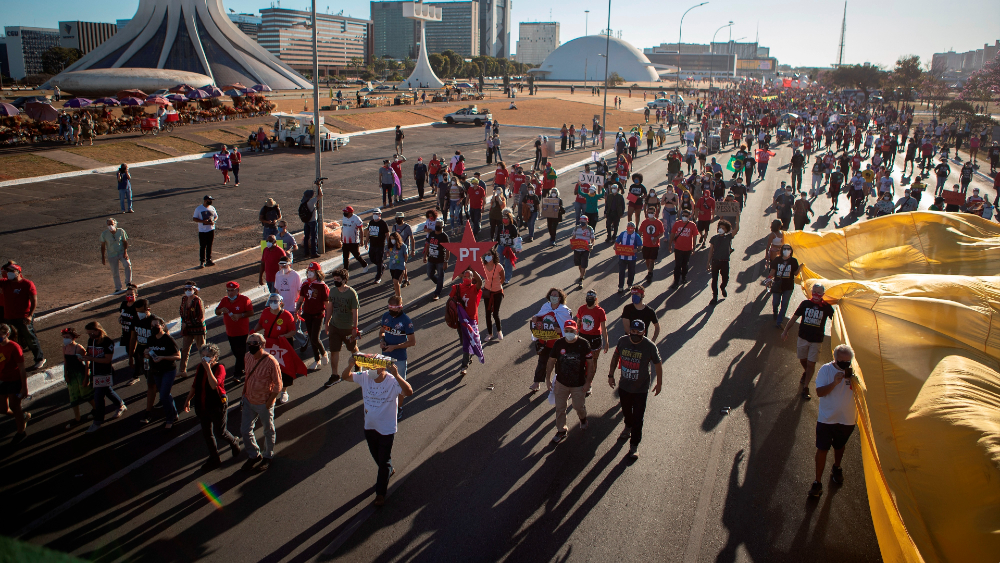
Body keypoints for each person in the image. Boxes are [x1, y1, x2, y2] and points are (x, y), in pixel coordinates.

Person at [341, 356, 413, 506]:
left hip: (386, 429)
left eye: (374, 368)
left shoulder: (392, 381)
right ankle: (388, 469)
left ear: (382, 368)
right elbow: (345, 376)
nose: (371, 370)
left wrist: (398, 375)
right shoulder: (365, 377)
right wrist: (350, 365)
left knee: (383, 460)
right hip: (370, 427)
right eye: (369, 367)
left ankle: (380, 494)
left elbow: (409, 391)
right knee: (378, 458)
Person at [607, 319, 663, 461]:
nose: (635, 334)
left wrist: (659, 383)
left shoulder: (649, 346)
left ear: (644, 332)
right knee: (626, 411)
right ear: (629, 330)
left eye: (638, 332)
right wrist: (611, 375)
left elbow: (658, 363)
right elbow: (615, 357)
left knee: (638, 417)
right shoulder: (622, 341)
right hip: (624, 386)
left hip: (641, 389)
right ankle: (628, 426)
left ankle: (634, 446)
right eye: (633, 331)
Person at [809, 344, 858, 498]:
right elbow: (819, 392)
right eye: (842, 361)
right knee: (822, 449)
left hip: (847, 420)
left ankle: (837, 467)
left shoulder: (854, 371)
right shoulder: (826, 370)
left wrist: (856, 382)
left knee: (840, 446)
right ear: (835, 359)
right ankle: (817, 483)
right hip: (827, 419)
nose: (845, 365)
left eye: (848, 362)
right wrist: (835, 383)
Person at [183, 344, 240, 470]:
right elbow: (195, 385)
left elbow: (214, 385)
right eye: (203, 356)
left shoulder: (220, 368)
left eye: (208, 356)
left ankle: (233, 441)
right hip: (202, 404)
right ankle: (214, 457)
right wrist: (188, 400)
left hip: (216, 404)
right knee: (207, 433)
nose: (205, 359)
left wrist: (208, 369)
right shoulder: (200, 367)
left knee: (220, 432)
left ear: (215, 357)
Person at [545, 320, 596, 444]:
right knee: (560, 408)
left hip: (578, 384)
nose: (568, 333)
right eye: (566, 331)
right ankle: (561, 430)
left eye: (571, 331)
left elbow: (590, 364)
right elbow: (551, 361)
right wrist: (547, 378)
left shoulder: (584, 344)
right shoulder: (559, 343)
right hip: (561, 383)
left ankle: (583, 419)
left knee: (578, 406)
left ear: (576, 330)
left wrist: (588, 382)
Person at [782, 283, 836, 400]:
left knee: (812, 363)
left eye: (819, 293)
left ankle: (806, 387)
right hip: (803, 337)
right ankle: (807, 372)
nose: (816, 294)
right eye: (814, 292)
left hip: (816, 341)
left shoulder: (826, 307)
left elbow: (837, 321)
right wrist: (785, 330)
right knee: (803, 359)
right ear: (811, 292)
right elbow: (794, 317)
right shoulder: (805, 304)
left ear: (823, 294)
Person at [240, 333, 282, 472]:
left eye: (254, 343)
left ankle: (268, 456)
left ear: (262, 345)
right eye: (249, 343)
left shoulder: (271, 362)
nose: (251, 345)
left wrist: (269, 403)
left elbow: (278, 385)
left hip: (263, 402)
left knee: (268, 430)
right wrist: (244, 395)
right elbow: (247, 376)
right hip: (249, 400)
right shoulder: (247, 357)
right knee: (245, 430)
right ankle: (254, 454)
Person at [82, 321, 126, 432]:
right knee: (107, 391)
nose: (90, 336)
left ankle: (98, 422)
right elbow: (89, 354)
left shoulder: (107, 342)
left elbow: (107, 359)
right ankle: (120, 404)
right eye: (88, 334)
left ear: (98, 331)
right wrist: (84, 357)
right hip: (95, 371)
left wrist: (92, 359)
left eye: (91, 333)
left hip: (104, 372)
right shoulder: (91, 341)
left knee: (98, 397)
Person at [0, 264, 44, 371]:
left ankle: (39, 359)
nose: (9, 273)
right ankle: (11, 361)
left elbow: (34, 301)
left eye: (11, 271)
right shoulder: (5, 283)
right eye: (8, 271)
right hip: (8, 317)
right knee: (10, 340)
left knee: (30, 338)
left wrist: (29, 315)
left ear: (18, 273)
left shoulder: (27, 284)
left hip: (23, 317)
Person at [529, 288, 573, 392]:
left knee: (559, 365)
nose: (553, 297)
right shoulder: (546, 306)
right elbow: (539, 317)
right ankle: (537, 383)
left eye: (555, 295)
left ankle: (558, 384)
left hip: (557, 344)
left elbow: (569, 326)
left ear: (560, 298)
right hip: (545, 342)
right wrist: (535, 318)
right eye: (552, 295)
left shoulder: (565, 311)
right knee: (542, 363)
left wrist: (561, 329)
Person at [255, 293, 297, 403]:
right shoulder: (265, 312)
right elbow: (260, 323)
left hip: (282, 346)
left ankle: (284, 391)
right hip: (268, 344)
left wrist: (284, 336)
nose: (273, 303)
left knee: (284, 368)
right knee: (267, 367)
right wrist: (253, 332)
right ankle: (269, 389)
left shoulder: (287, 315)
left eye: (275, 301)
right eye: (271, 301)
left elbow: (293, 331)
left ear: (281, 303)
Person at [379, 295, 415, 417]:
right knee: (385, 382)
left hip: (399, 357)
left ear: (400, 308)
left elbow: (412, 342)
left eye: (394, 309)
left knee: (400, 383)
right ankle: (388, 404)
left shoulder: (406, 321)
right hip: (385, 356)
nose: (391, 312)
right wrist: (382, 341)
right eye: (390, 308)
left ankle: (399, 407)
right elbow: (382, 332)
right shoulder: (386, 316)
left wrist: (395, 347)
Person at [324, 268, 359, 387]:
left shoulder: (351, 293)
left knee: (352, 348)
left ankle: (358, 362)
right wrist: (326, 323)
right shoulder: (332, 292)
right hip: (335, 326)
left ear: (344, 280)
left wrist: (354, 328)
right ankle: (335, 375)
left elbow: (355, 312)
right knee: (334, 351)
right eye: (334, 279)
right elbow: (330, 308)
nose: (336, 281)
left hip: (348, 328)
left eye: (338, 279)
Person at [144, 316, 181, 428]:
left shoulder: (168, 339)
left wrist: (163, 357)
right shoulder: (150, 339)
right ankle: (174, 413)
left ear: (162, 326)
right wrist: (146, 353)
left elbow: (178, 356)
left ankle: (169, 419)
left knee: (163, 396)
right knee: (165, 394)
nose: (153, 328)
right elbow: (148, 355)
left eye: (156, 325)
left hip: (168, 370)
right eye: (152, 326)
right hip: (156, 370)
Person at [215, 281, 253, 383]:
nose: (230, 293)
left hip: (242, 331)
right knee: (236, 352)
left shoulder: (245, 300)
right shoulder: (224, 300)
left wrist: (240, 315)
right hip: (230, 332)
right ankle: (247, 365)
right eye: (228, 290)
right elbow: (217, 311)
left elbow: (251, 312)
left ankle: (237, 374)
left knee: (240, 352)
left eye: (232, 290)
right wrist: (221, 309)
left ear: (237, 290)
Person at [448, 268, 483, 376]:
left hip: (471, 320)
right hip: (461, 320)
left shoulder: (474, 288)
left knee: (467, 343)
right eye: (465, 276)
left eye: (469, 276)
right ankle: (469, 355)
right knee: (464, 342)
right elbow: (450, 302)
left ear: (472, 278)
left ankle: (464, 366)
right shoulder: (457, 288)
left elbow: (480, 282)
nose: (467, 278)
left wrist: (474, 266)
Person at [61, 327, 95, 429]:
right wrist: (65, 374)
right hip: (71, 375)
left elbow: (86, 362)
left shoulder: (79, 348)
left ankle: (96, 409)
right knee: (73, 396)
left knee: (86, 393)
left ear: (73, 337)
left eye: (67, 337)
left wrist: (86, 377)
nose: (65, 339)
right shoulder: (65, 348)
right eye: (64, 337)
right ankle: (77, 418)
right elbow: (65, 362)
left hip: (80, 373)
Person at [0, 323, 29, 442]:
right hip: (3, 380)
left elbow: (22, 369)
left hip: (14, 381)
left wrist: (24, 388)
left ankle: (21, 432)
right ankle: (22, 417)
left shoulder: (14, 347)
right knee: (2, 409)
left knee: (14, 405)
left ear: (7, 334)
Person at [577, 289, 609, 374]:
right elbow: (578, 323)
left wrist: (606, 342)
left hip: (595, 339)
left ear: (595, 299)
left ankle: (589, 380)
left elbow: (603, 327)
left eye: (592, 298)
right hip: (582, 337)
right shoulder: (581, 309)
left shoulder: (600, 311)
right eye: (588, 297)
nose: (590, 299)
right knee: (580, 359)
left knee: (593, 361)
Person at [178, 281, 206, 377]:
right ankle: (182, 370)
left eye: (189, 289)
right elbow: (181, 312)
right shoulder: (184, 299)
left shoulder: (198, 301)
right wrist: (184, 323)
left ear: (194, 290)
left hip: (197, 328)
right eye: (186, 289)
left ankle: (206, 368)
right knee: (185, 349)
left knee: (202, 349)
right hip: (187, 329)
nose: (187, 291)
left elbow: (201, 317)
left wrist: (188, 323)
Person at [480, 247, 506, 342]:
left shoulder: (498, 266)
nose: (487, 256)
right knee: (487, 313)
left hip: (497, 292)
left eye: (489, 254)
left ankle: (499, 331)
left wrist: (497, 285)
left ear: (493, 256)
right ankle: (490, 334)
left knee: (495, 313)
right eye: (486, 254)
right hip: (487, 292)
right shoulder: (483, 265)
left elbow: (502, 278)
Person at [706, 219, 734, 302]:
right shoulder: (714, 238)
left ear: (726, 230)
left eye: (723, 228)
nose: (720, 229)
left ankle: (723, 287)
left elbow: (736, 229)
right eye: (720, 227)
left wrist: (737, 217)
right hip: (715, 261)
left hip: (724, 262)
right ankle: (715, 296)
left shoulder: (728, 237)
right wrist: (708, 262)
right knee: (714, 279)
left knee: (725, 278)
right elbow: (711, 251)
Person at [669, 210, 698, 288]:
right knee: (677, 265)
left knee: (685, 264)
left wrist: (693, 247)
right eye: (683, 215)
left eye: (686, 216)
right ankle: (676, 281)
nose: (684, 217)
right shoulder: (677, 223)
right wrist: (670, 244)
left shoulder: (692, 225)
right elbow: (672, 233)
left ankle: (684, 277)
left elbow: (694, 236)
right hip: (678, 248)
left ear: (689, 216)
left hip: (688, 248)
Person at [424, 220, 450, 300]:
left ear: (442, 226)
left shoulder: (444, 236)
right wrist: (425, 255)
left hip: (440, 260)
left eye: (439, 225)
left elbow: (448, 250)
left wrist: (446, 261)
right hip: (431, 259)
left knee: (440, 275)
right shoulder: (431, 234)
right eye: (436, 225)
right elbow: (428, 245)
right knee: (429, 274)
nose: (437, 226)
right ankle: (439, 283)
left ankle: (437, 293)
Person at [639, 206, 664, 284]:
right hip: (646, 244)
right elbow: (639, 232)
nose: (650, 214)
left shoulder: (659, 222)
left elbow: (662, 233)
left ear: (654, 213)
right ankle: (649, 271)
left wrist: (656, 237)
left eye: (651, 213)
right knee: (647, 259)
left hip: (654, 244)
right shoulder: (644, 222)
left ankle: (650, 273)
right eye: (649, 212)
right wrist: (638, 241)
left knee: (652, 260)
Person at [614, 222, 642, 292]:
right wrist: (615, 246)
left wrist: (637, 249)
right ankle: (620, 286)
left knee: (631, 272)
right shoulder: (623, 234)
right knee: (621, 272)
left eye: (631, 226)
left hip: (632, 258)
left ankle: (630, 285)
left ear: (634, 228)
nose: (630, 227)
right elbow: (617, 242)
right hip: (622, 257)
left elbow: (640, 246)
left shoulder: (636, 236)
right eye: (628, 226)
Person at [340, 206, 369, 273]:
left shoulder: (356, 219)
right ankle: (345, 271)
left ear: (350, 212)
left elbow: (361, 230)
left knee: (356, 256)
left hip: (353, 242)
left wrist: (362, 240)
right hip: (345, 241)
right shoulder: (344, 217)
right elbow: (343, 228)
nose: (344, 213)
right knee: (345, 257)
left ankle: (364, 265)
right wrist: (341, 237)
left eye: (345, 212)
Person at [494, 210, 519, 284]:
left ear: (509, 218)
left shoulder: (512, 227)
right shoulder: (500, 227)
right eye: (503, 217)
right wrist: (495, 246)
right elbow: (498, 237)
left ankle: (507, 277)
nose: (504, 219)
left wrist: (517, 248)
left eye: (506, 218)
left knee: (508, 263)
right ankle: (500, 276)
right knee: (499, 262)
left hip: (509, 247)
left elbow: (517, 238)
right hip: (501, 246)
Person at [193, 195, 218, 268]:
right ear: (205, 200)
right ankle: (202, 261)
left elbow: (216, 216)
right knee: (203, 246)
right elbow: (194, 219)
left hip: (211, 229)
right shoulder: (199, 209)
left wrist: (214, 221)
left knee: (209, 245)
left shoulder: (212, 208)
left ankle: (209, 260)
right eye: (209, 200)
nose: (211, 201)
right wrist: (203, 221)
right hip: (202, 231)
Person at [392, 212, 415, 288]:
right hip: (396, 250)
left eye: (399, 218)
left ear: (402, 218)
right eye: (396, 218)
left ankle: (398, 282)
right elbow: (392, 238)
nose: (397, 220)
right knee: (402, 265)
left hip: (404, 249)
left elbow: (412, 238)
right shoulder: (394, 227)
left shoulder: (407, 227)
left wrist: (412, 250)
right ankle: (406, 279)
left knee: (401, 265)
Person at [366, 209, 390, 284]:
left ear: (380, 214)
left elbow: (387, 234)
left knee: (379, 260)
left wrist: (388, 245)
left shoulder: (383, 223)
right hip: (372, 244)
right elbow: (368, 233)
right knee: (372, 258)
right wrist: (366, 242)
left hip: (380, 245)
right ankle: (382, 266)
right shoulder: (371, 222)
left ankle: (378, 277)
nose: (375, 215)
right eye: (374, 213)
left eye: (376, 213)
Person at [570, 217, 595, 286]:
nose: (582, 223)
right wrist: (571, 244)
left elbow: (593, 239)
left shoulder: (590, 229)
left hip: (585, 250)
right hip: (577, 250)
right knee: (579, 264)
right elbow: (573, 237)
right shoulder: (576, 228)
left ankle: (581, 279)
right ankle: (582, 274)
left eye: (584, 222)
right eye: (581, 222)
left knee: (584, 264)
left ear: (587, 222)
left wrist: (591, 244)